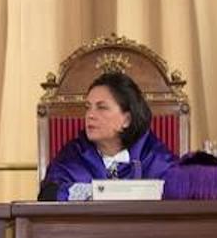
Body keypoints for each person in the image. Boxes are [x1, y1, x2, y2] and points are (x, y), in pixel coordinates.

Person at [37, 71, 177, 201]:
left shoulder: (154, 156)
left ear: (127, 120)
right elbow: (49, 195)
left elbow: (180, 194)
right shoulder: (73, 156)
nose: (90, 115)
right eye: (88, 107)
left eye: (101, 107)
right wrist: (94, 193)